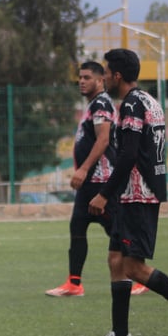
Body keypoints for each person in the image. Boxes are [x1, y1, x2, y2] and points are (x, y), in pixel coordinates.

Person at [84, 48, 168, 336]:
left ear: (117, 76)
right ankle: (121, 335)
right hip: (133, 194)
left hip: (138, 194)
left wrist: (102, 194)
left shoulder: (132, 105)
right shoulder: (147, 99)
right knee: (116, 260)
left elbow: (127, 157)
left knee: (135, 268)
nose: (104, 77)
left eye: (106, 72)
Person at [46, 61, 123, 297]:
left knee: (119, 230)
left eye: (87, 77)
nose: (82, 81)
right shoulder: (93, 105)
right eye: (80, 77)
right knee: (78, 227)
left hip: (101, 181)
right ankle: (74, 283)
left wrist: (83, 169)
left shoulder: (101, 103)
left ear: (100, 80)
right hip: (90, 183)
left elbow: (103, 140)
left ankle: (136, 275)